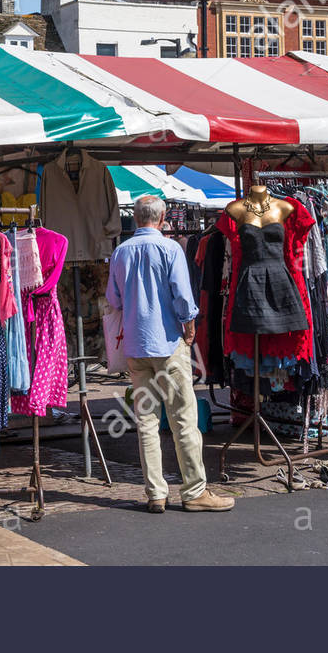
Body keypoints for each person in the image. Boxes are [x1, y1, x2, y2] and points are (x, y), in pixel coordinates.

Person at [107, 195, 234, 514]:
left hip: (137, 346)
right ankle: (194, 491)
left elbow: (114, 299)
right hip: (168, 345)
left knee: (146, 422)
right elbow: (182, 295)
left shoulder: (121, 252)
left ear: (135, 218)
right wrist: (190, 328)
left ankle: (156, 493)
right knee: (183, 419)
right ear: (162, 218)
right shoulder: (170, 249)